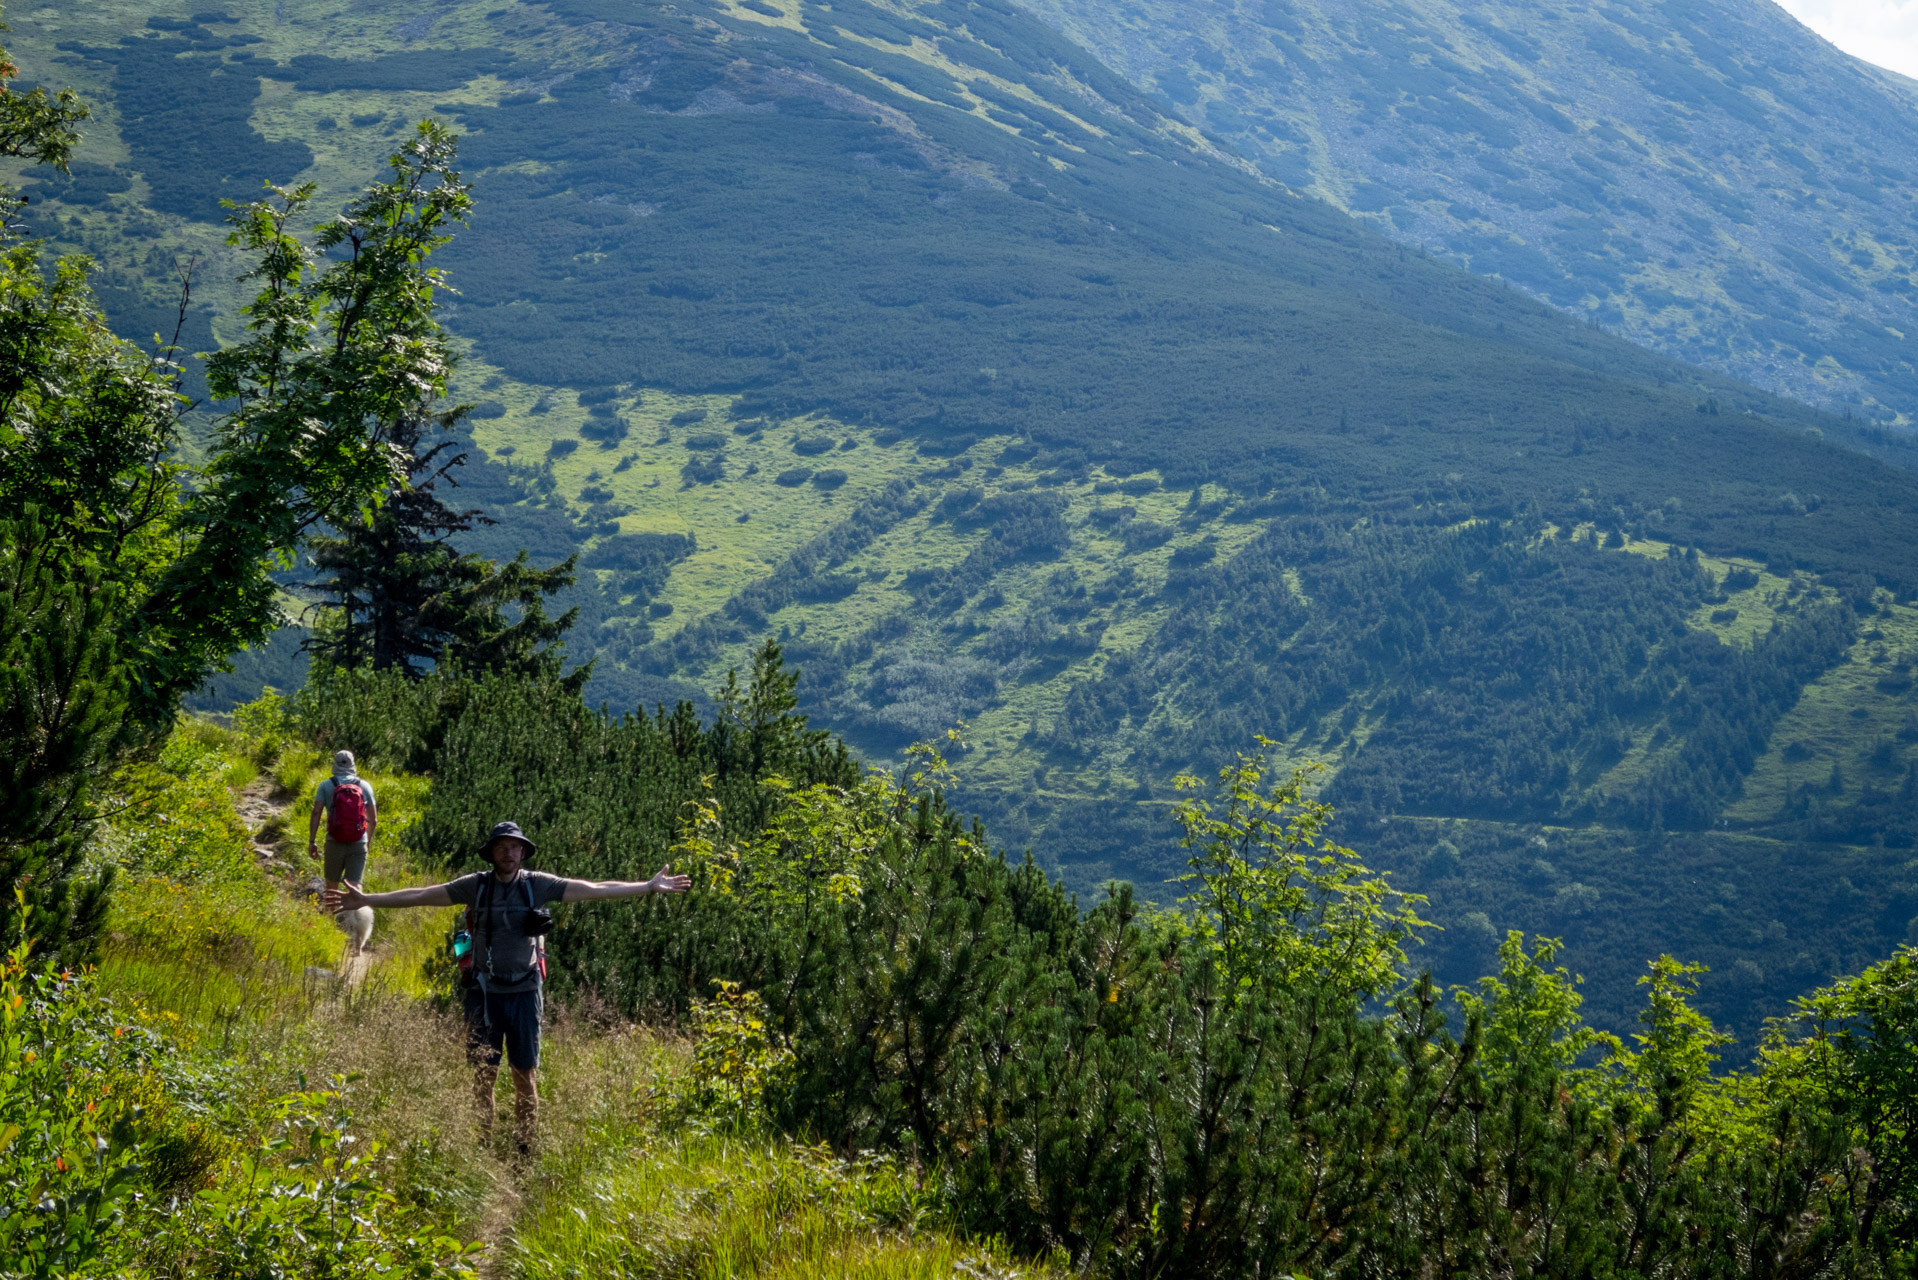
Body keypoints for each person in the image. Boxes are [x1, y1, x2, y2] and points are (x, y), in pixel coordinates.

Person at [323, 821, 691, 1155]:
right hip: (483, 993)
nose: (509, 852)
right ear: (492, 852)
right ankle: (483, 1148)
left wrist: (647, 886)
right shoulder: (476, 886)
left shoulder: (538, 885)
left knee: (524, 1076)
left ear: (523, 852)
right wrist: (370, 899)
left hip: (525, 993)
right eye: (502, 846)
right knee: (484, 1076)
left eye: (515, 846)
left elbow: (593, 889)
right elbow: (421, 894)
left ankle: (524, 1151)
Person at [309, 750, 378, 897]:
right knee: (355, 887)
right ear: (353, 764)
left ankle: (331, 918)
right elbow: (373, 820)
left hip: (334, 841)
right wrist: (367, 842)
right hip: (358, 842)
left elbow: (316, 813)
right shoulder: (364, 786)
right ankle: (353, 918)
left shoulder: (325, 785)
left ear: (335, 764)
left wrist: (312, 841)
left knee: (332, 887)